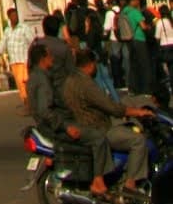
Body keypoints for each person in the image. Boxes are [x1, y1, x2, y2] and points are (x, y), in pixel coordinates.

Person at [63, 45, 155, 197]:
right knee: (138, 140)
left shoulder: (69, 82)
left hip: (83, 127)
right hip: (99, 127)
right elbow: (112, 107)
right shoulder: (86, 84)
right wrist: (137, 111)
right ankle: (130, 184)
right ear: (91, 65)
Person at [26, 39, 113, 197]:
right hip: (55, 128)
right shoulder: (42, 79)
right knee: (98, 138)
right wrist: (66, 127)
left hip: (50, 126)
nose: (52, 59)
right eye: (49, 56)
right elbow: (46, 111)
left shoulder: (35, 77)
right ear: (43, 59)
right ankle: (98, 181)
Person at [0, 4, 33, 106]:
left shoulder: (24, 28)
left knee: (24, 81)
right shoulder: (8, 31)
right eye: (13, 15)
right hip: (14, 60)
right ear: (9, 17)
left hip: (24, 59)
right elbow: (3, 43)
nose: (15, 17)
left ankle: (29, 101)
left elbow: (31, 41)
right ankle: (25, 101)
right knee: (19, 83)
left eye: (16, 15)